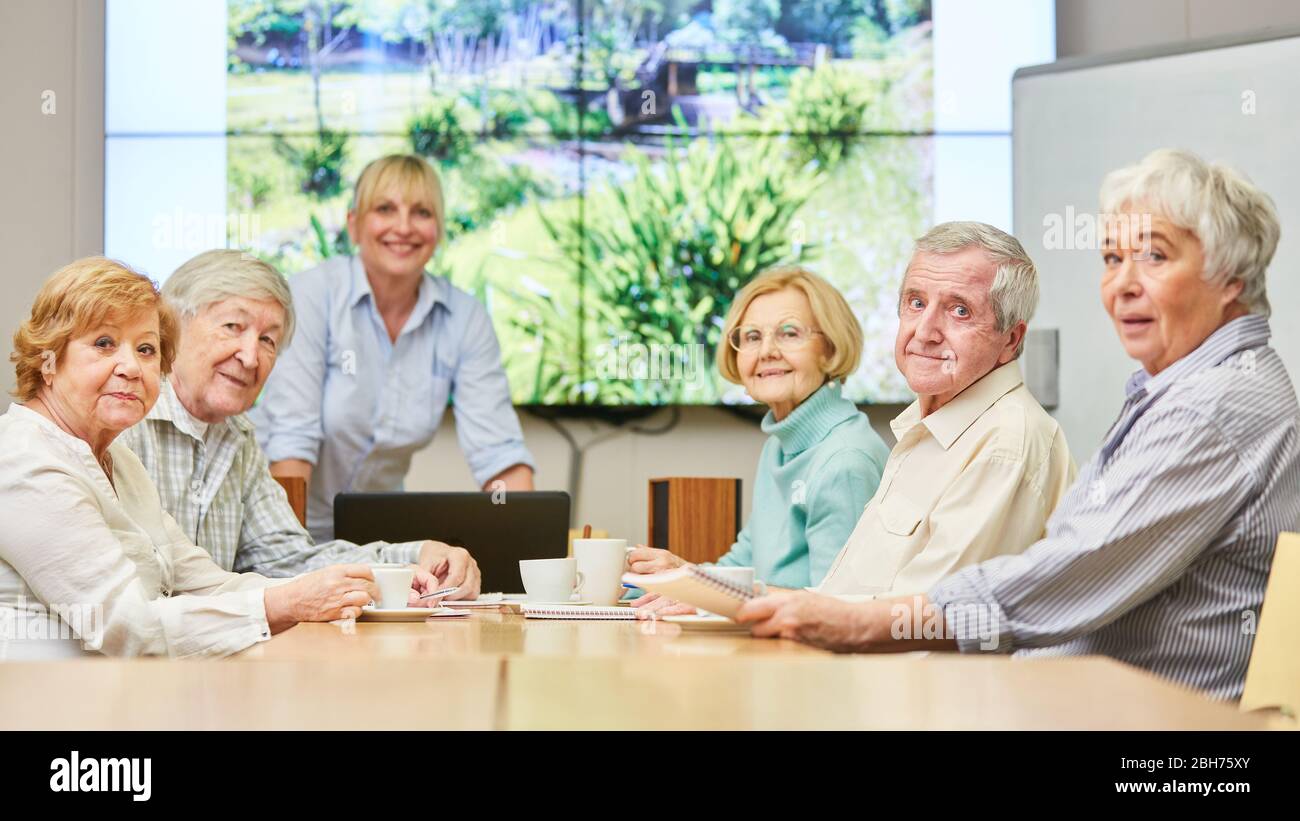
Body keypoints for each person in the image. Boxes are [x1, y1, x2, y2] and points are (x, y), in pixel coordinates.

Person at [737, 149, 1299, 701]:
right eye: (1110, 260)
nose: (1122, 284)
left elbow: (1068, 574)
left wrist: (851, 626)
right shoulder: (1187, 390)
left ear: (1230, 278)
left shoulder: (1210, 406)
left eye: (1153, 256)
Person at [0, 258, 443, 658]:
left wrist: (370, 584)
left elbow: (209, 581)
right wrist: (284, 604)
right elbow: (125, 626)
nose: (132, 367)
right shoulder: (25, 459)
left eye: (146, 349)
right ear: (48, 360)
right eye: (103, 343)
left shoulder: (116, 460)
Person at [117, 250, 480, 597]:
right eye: (232, 326)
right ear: (172, 327)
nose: (249, 356)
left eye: (267, 339)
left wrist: (414, 559)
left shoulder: (238, 438)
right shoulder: (124, 419)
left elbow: (290, 562)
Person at [249, 154, 535, 542]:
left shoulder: (464, 319)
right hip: (284, 525)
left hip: (381, 543)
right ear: (354, 225)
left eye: (422, 212)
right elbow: (291, 443)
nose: (404, 227)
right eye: (385, 209)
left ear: (438, 229)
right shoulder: (311, 295)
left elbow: (499, 456)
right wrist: (292, 555)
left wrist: (521, 545)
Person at [628, 266, 891, 594]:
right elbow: (740, 569)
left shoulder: (845, 461)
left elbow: (838, 608)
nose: (766, 351)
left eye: (789, 332)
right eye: (752, 336)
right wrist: (638, 583)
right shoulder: (780, 448)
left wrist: (691, 582)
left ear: (831, 349)